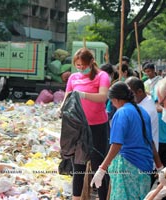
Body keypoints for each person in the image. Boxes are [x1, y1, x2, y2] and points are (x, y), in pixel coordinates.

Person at [91, 81, 154, 200]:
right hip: (145, 166)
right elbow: (151, 142)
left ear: (117, 99)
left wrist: (102, 168)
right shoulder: (143, 112)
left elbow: (116, 144)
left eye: (113, 102)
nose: (113, 105)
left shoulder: (122, 113)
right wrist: (159, 165)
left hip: (127, 166)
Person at [62, 47, 110, 200]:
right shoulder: (73, 78)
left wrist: (83, 94)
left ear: (91, 62)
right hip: (78, 127)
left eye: (83, 65)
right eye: (78, 65)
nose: (81, 68)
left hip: (97, 126)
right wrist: (62, 109)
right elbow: (67, 96)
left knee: (98, 165)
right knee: (78, 165)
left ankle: (102, 197)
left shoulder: (102, 76)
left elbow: (103, 97)